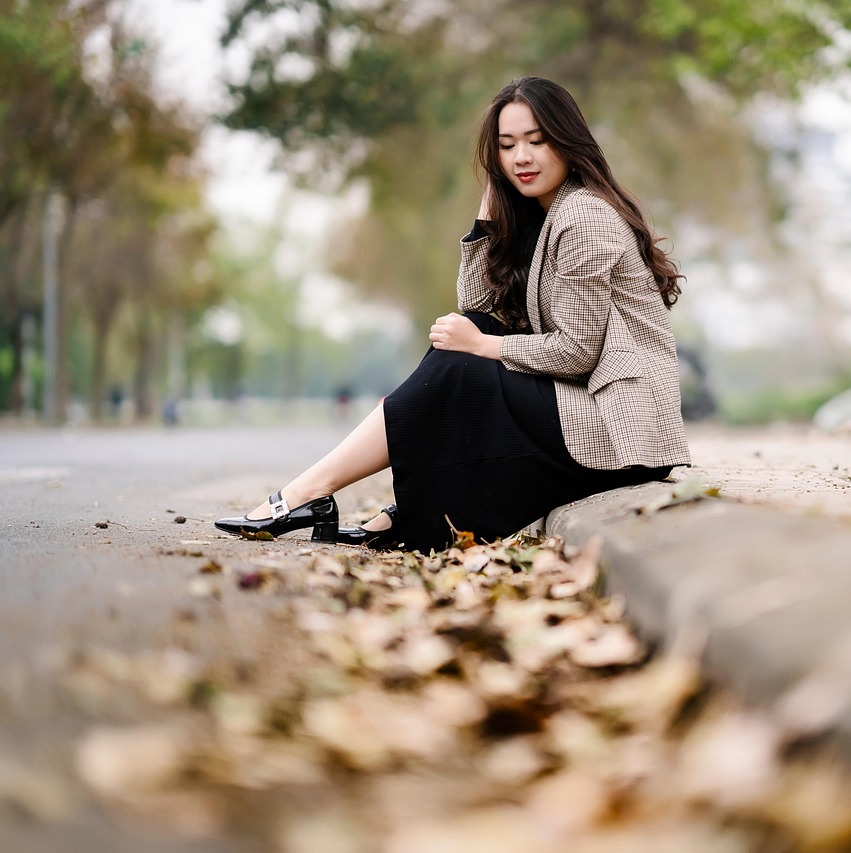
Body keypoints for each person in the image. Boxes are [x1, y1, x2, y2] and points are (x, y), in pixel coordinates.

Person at [215, 77, 690, 552]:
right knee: (467, 341)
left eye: (536, 140)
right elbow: (478, 306)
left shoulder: (583, 216)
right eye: (507, 146)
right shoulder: (545, 215)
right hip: (586, 406)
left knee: (465, 361)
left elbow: (578, 351)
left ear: (568, 140)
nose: (521, 157)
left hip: (623, 428)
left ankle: (308, 492)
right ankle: (359, 502)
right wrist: (485, 223)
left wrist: (484, 347)